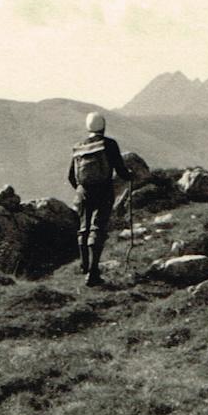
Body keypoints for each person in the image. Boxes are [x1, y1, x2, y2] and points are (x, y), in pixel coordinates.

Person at [67, 111, 132, 286]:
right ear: (103, 126)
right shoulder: (108, 144)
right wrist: (130, 175)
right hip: (103, 191)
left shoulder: (78, 147)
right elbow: (121, 170)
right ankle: (93, 273)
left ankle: (84, 266)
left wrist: (82, 189)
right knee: (98, 229)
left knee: (83, 229)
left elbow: (71, 177)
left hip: (82, 193)